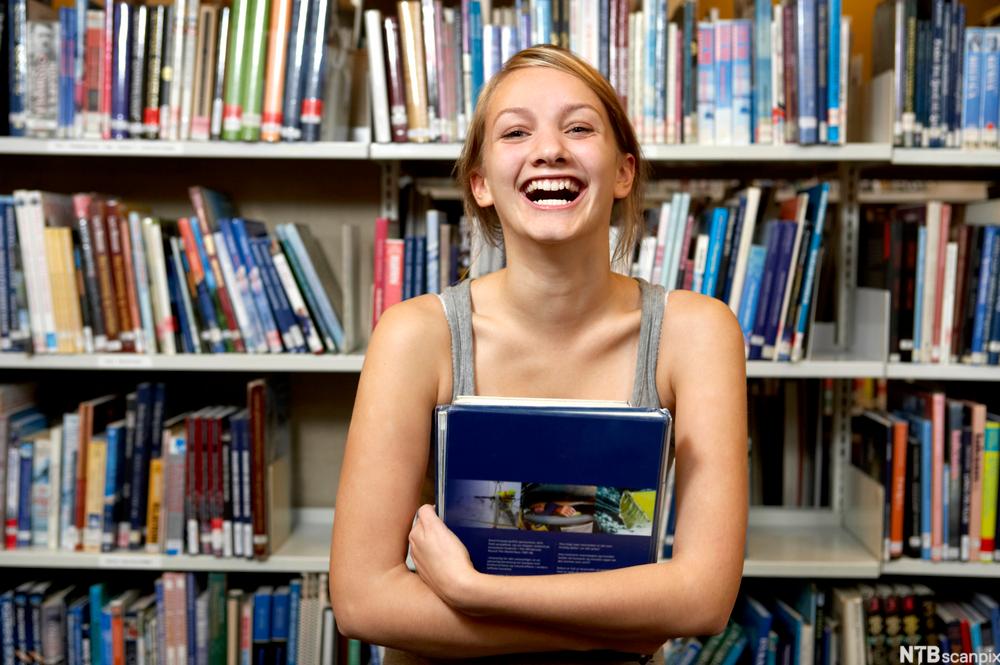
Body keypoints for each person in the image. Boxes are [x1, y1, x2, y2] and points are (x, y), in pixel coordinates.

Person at [330, 45, 747, 663]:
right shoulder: (415, 335)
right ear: (480, 183)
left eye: (579, 127)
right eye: (516, 131)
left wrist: (476, 592)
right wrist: (623, 624)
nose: (549, 149)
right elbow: (363, 602)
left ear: (624, 171)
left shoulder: (698, 332)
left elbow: (703, 600)